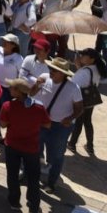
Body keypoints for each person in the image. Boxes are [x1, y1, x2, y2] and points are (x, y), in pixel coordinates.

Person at [0, 77, 49, 213]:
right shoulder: (38, 108)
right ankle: (34, 208)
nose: (9, 89)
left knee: (12, 175)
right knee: (33, 179)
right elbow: (47, 124)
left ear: (19, 92)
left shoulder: (7, 106)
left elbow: (2, 125)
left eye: (12, 87)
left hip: (12, 146)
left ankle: (14, 202)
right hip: (32, 149)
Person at [38, 56, 82, 193]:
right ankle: (30, 175)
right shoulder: (44, 79)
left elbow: (80, 108)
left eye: (54, 70)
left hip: (60, 127)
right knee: (34, 150)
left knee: (56, 156)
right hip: (42, 122)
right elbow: (32, 94)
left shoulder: (73, 88)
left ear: (63, 74)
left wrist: (70, 118)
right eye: (51, 68)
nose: (50, 71)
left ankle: (51, 183)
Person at [68, 47, 100, 154]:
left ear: (92, 59)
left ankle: (72, 144)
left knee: (78, 122)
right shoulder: (95, 68)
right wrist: (79, 67)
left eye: (84, 56)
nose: (81, 57)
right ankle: (90, 146)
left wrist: (79, 69)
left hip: (82, 99)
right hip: (91, 100)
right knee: (87, 121)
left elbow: (74, 83)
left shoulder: (85, 71)